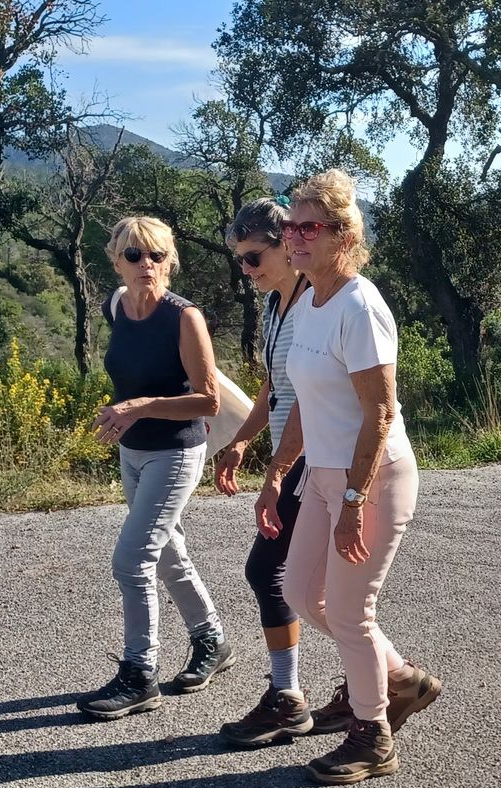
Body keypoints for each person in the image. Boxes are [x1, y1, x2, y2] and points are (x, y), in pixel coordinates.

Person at [256, 170, 442, 785]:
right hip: (323, 474)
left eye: (309, 227)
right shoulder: (310, 301)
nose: (294, 236)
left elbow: (380, 412)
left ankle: (372, 735)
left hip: (374, 478)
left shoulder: (359, 307)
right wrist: (277, 472)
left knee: (349, 609)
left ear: (344, 235)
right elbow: (304, 401)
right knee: (300, 591)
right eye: (290, 225)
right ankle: (398, 679)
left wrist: (355, 501)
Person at [78, 216, 234, 720]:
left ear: (170, 261)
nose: (146, 263)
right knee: (167, 554)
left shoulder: (184, 318)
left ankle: (139, 674)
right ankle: (212, 641)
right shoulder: (115, 306)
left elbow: (208, 401)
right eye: (134, 254)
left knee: (132, 561)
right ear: (116, 260)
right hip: (133, 452)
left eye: (157, 255)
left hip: (175, 452)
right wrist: (126, 412)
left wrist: (139, 406)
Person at [210, 197, 316, 747]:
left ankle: (289, 695)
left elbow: (311, 398)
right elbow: (275, 386)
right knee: (305, 582)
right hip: (291, 455)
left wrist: (276, 473)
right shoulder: (277, 304)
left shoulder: (314, 303)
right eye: (240, 260)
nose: (246, 270)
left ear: (286, 246)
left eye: (254, 257)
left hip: (315, 458)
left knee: (269, 570)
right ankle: (381, 679)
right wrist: (241, 441)